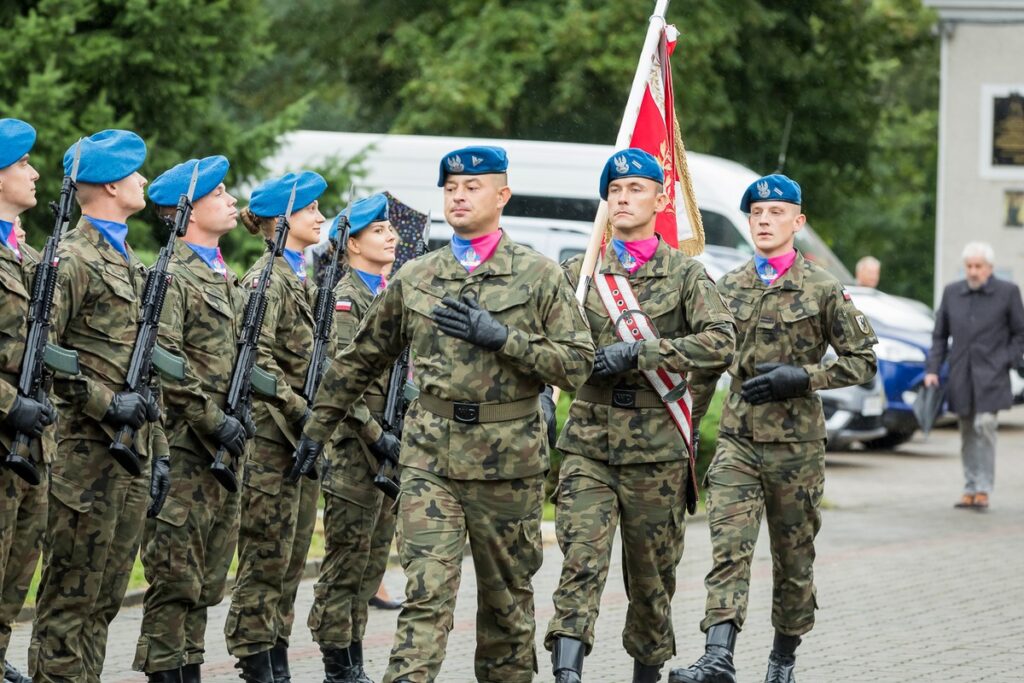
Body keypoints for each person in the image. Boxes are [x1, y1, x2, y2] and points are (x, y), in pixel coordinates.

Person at [291, 146, 595, 683]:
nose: (458, 194)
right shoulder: (417, 276)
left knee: (506, 610)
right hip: (431, 461)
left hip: (510, 466)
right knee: (426, 597)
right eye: (451, 185)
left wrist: (504, 338)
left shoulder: (539, 275)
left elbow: (578, 365)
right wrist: (316, 429)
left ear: (502, 195)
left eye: (472, 186)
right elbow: (359, 359)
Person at [668, 174, 877, 683]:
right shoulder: (729, 286)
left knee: (793, 561)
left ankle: (783, 658)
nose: (764, 221)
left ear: (797, 222)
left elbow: (864, 362)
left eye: (776, 213)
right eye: (757, 214)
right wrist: (686, 436)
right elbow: (704, 369)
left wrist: (804, 377)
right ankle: (718, 656)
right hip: (738, 443)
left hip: (797, 450)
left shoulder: (823, 288)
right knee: (728, 550)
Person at [543, 148, 735, 683]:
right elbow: (545, 342)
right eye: (614, 192)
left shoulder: (685, 274)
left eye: (634, 190)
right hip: (588, 444)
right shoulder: (579, 274)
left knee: (651, 580)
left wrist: (643, 353)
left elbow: (721, 341)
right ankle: (567, 674)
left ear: (660, 197)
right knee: (579, 564)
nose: (623, 199)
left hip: (656, 448)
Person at [29, 129, 168, 682]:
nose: (142, 182)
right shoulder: (70, 258)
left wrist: (156, 449)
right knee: (69, 602)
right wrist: (109, 405)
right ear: (111, 184)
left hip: (127, 458)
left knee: (104, 600)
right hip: (82, 461)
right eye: (135, 174)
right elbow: (42, 356)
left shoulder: (126, 257)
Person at [132, 155, 248, 682]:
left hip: (222, 453)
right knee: (174, 581)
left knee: (206, 584)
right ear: (188, 210)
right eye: (219, 194)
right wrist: (213, 420)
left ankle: (191, 671)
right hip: (185, 449)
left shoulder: (222, 274)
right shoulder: (173, 274)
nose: (231, 201)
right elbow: (167, 363)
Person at [225, 170, 326, 683]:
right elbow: (256, 361)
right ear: (283, 220)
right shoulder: (266, 279)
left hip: (297, 440)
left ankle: (277, 651)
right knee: (265, 556)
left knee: (289, 558)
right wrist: (298, 409)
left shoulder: (297, 278)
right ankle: (255, 657)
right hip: (271, 438)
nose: (320, 217)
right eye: (311, 209)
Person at [308, 193, 402, 683]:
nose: (391, 236)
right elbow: (340, 379)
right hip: (354, 452)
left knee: (370, 566)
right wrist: (376, 433)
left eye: (390, 229)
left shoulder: (391, 292)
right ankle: (336, 667)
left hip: (389, 448)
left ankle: (355, 660)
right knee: (345, 565)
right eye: (379, 231)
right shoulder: (345, 298)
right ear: (354, 245)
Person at [0, 118, 55, 683]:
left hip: (32, 447)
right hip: (5, 431)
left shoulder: (29, 255)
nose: (34, 172)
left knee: (16, 579)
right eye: (21, 164)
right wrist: (8, 403)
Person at [924, 241, 1024, 510]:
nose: (973, 271)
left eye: (978, 266)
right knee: (967, 430)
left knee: (986, 425)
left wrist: (1006, 360)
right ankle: (969, 487)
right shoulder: (952, 292)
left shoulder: (1008, 292)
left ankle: (984, 488)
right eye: (969, 266)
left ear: (989, 268)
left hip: (993, 374)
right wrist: (932, 370)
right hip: (961, 374)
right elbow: (939, 336)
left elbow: (1020, 334)